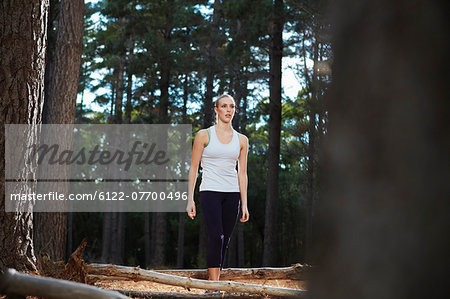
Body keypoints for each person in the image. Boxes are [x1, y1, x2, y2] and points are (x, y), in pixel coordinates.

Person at [186, 94, 249, 282]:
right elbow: (194, 168)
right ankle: (214, 286)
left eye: (232, 106)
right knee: (216, 236)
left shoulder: (242, 140)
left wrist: (244, 204)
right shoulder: (203, 135)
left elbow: (242, 173)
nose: (228, 110)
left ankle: (215, 283)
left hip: (232, 194)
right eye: (224, 106)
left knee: (225, 241)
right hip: (210, 191)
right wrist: (190, 199)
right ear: (216, 109)